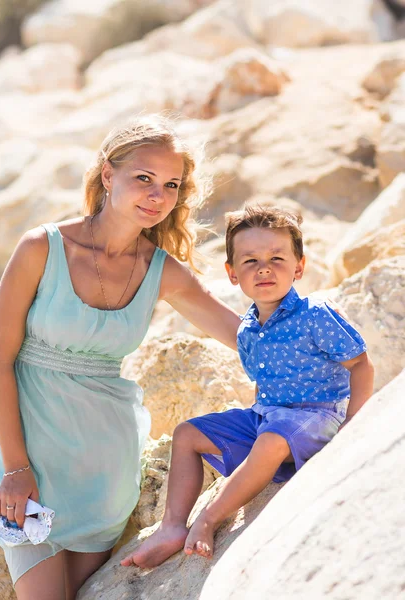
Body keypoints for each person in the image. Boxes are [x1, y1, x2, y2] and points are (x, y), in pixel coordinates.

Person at [0, 114, 243, 600]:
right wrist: (16, 468)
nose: (157, 195)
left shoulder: (162, 270)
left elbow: (238, 333)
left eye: (170, 184)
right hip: (30, 459)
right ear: (108, 176)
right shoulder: (42, 248)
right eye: (143, 178)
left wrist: (318, 348)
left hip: (104, 468)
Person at [121, 205, 374, 569]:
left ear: (299, 266)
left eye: (276, 258)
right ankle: (172, 526)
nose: (264, 268)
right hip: (268, 417)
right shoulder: (247, 331)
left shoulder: (315, 313)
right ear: (232, 274)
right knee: (187, 434)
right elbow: (265, 388)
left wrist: (354, 425)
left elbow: (361, 363)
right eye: (250, 260)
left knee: (270, 440)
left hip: (317, 416)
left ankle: (210, 516)